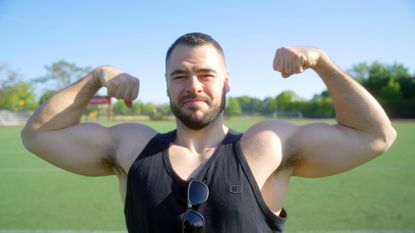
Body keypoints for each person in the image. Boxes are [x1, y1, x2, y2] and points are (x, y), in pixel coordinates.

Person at [21, 32, 397, 233]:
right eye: (180, 76)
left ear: (227, 82)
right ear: (167, 87)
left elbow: (376, 136)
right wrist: (97, 76)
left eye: (206, 74)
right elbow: (38, 135)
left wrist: (322, 63)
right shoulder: (133, 146)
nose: (194, 85)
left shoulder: (266, 144)